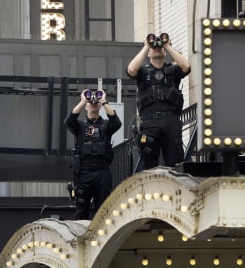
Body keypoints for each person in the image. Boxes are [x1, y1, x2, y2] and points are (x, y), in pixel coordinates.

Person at [126, 33, 191, 170]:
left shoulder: (172, 70)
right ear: (148, 53)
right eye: (153, 48)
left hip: (171, 121)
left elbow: (186, 66)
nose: (156, 48)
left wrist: (166, 44)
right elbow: (131, 69)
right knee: (148, 163)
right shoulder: (143, 71)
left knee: (175, 162)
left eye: (159, 47)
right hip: (150, 123)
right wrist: (146, 47)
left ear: (165, 51)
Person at [64, 89, 122, 220]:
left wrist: (104, 101)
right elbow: (69, 120)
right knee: (81, 208)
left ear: (100, 106)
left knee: (104, 210)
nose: (93, 103)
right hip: (84, 172)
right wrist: (84, 99)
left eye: (96, 103)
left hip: (102, 171)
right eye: (90, 102)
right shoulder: (79, 125)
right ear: (86, 106)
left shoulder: (106, 125)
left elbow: (117, 122)